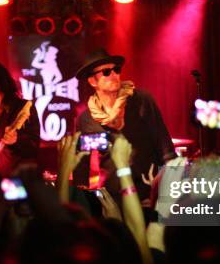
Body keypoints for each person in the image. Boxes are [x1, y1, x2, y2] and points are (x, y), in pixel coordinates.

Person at [74, 48, 176, 201]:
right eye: (106, 72)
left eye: (116, 69)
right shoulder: (86, 120)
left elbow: (165, 148)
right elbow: (82, 165)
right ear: (92, 81)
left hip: (150, 192)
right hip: (115, 196)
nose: (114, 75)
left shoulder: (141, 100)